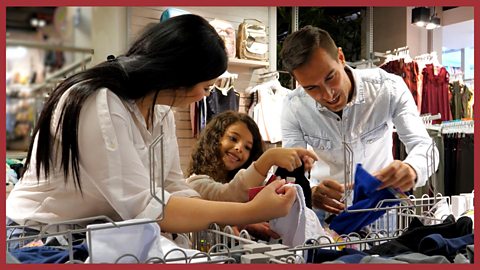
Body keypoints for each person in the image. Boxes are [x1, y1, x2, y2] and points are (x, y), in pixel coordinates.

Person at [6, 15, 296, 245]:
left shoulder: (159, 112)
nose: (204, 96)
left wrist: (226, 218)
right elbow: (149, 207)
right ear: (179, 75)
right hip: (40, 238)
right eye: (206, 87)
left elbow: (172, 187)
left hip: (94, 235)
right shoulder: (98, 103)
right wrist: (249, 211)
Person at [279, 26, 439, 215]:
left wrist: (411, 168)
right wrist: (309, 192)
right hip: (324, 214)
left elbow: (426, 147)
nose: (328, 94)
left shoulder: (388, 88)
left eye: (331, 77)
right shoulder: (293, 106)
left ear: (340, 57)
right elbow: (293, 170)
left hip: (380, 211)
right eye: (312, 88)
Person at [186, 111, 318, 240]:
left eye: (247, 147)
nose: (239, 148)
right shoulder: (195, 183)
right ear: (214, 138)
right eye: (233, 138)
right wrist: (268, 159)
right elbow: (227, 195)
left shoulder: (244, 186)